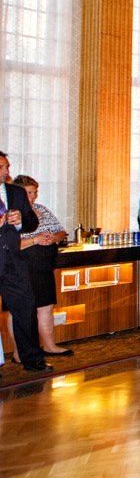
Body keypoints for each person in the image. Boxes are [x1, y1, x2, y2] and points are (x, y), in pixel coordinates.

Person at [10, 175, 69, 357]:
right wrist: (35, 239)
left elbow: (61, 231)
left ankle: (49, 346)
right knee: (20, 311)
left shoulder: (42, 209)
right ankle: (19, 352)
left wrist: (54, 237)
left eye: (35, 192)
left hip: (43, 267)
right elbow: (10, 245)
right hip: (21, 269)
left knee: (46, 307)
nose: (33, 196)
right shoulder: (11, 214)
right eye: (29, 193)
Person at [0, 153, 48, 372]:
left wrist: (20, 222)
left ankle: (33, 360)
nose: (6, 172)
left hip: (12, 262)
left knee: (26, 309)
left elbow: (31, 221)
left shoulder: (16, 193)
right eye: (2, 167)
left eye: (7, 167)